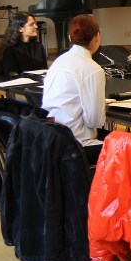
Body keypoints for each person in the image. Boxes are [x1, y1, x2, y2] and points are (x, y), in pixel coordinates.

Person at [41, 14, 106, 165]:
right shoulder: (92, 68)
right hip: (76, 146)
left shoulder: (58, 61)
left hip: (51, 139)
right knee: (130, 149)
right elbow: (95, 121)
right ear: (97, 36)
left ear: (70, 37)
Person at [0, 12, 47, 77]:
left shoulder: (39, 47)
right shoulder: (10, 50)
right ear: (20, 29)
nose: (36, 26)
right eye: (31, 24)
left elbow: (44, 71)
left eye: (35, 23)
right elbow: (11, 75)